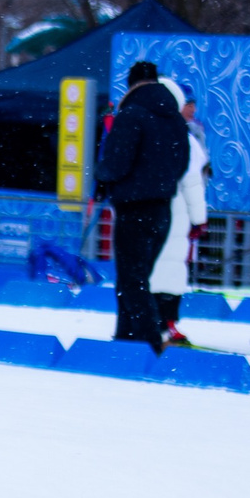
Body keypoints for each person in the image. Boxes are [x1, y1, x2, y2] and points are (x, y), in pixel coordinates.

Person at [95, 60, 190, 350]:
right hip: (163, 207)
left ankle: (150, 341)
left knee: (131, 280)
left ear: (131, 85)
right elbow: (182, 163)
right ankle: (127, 338)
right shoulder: (174, 119)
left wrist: (103, 176)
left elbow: (116, 163)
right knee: (138, 277)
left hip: (133, 207)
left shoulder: (131, 114)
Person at [151, 85, 209, 343]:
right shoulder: (185, 139)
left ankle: (153, 320)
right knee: (172, 270)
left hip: (150, 212)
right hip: (177, 213)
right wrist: (199, 219)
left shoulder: (147, 130)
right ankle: (168, 321)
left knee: (153, 269)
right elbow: (193, 181)